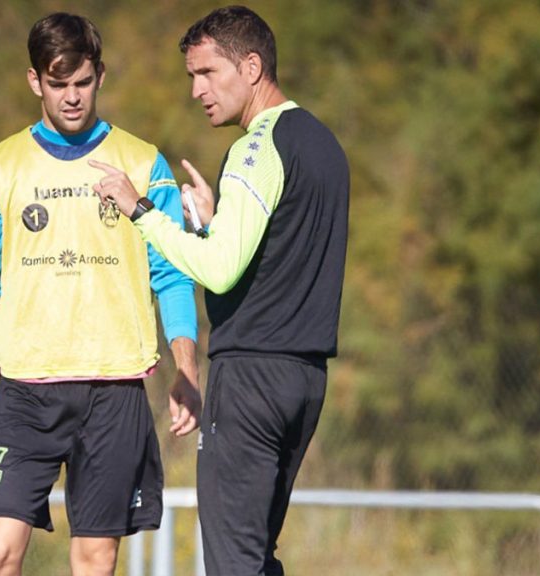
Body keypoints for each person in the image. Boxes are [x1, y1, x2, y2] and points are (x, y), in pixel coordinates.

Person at [0, 12, 202, 576]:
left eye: (82, 82)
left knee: (95, 560)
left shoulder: (143, 162)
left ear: (100, 75)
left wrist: (186, 368)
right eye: (58, 85)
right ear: (35, 82)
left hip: (115, 391)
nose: (72, 97)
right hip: (25, 393)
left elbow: (171, 273)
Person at [92, 5, 350, 574]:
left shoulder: (257, 146)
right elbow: (271, 260)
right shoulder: (322, 142)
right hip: (304, 381)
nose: (195, 90)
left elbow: (218, 271)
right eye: (191, 76)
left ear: (252, 66)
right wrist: (211, 224)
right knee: (257, 556)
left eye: (207, 73)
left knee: (233, 563)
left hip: (252, 380)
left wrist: (140, 211)